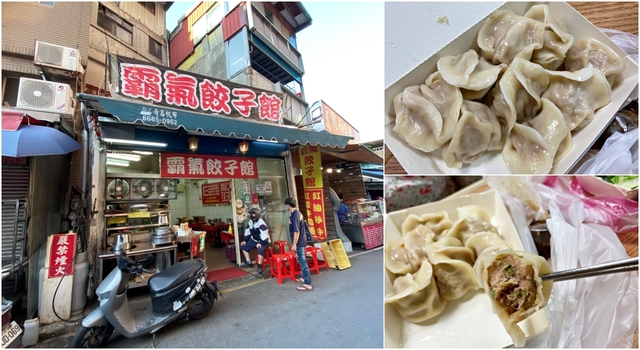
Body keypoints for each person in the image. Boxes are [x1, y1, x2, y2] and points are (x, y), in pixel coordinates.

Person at [284, 197, 312, 291]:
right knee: (300, 260)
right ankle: (304, 277)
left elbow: (297, 231)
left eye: (286, 205)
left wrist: (294, 244)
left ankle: (307, 283)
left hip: (299, 242)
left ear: (288, 205)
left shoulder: (295, 216)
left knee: (302, 262)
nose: (285, 206)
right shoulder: (297, 213)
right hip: (302, 240)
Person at [240, 208, 270, 278]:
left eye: (253, 214)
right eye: (250, 214)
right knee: (244, 246)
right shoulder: (250, 222)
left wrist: (261, 243)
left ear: (257, 214)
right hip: (254, 240)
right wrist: (245, 240)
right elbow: (247, 231)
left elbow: (264, 235)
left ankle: (259, 266)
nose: (251, 215)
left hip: (263, 241)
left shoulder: (261, 223)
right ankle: (248, 262)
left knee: (260, 249)